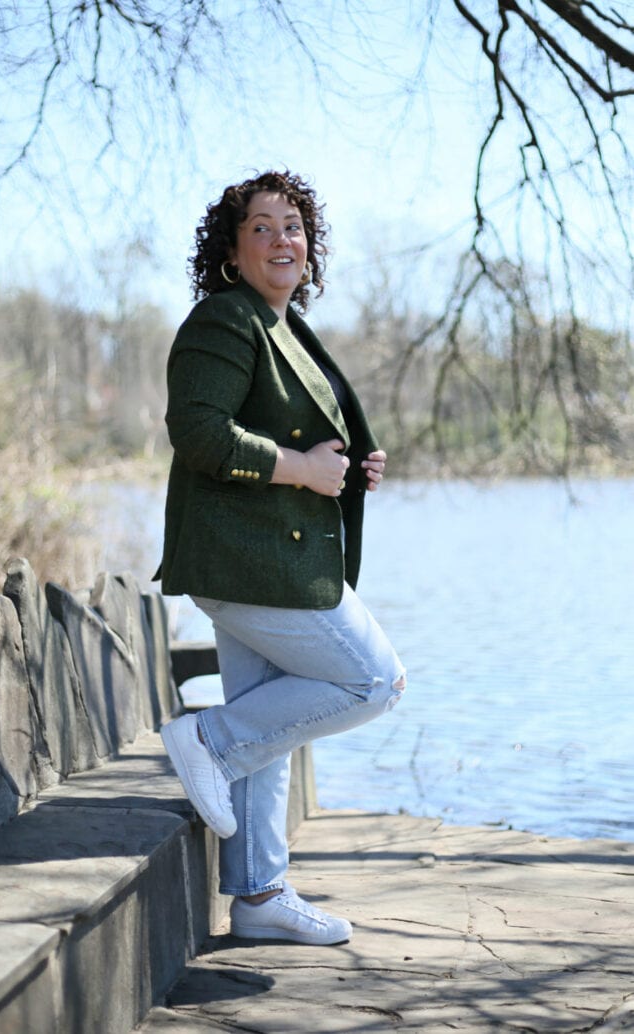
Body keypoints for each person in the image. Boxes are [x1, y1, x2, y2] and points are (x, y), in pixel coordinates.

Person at [157, 170, 406, 946]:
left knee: (278, 718)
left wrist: (346, 468)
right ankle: (208, 741)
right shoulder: (225, 321)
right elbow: (198, 432)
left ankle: (259, 895)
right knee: (373, 680)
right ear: (232, 251)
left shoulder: (284, 327)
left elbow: (292, 430)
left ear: (311, 245)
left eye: (292, 225)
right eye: (259, 227)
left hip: (269, 557)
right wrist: (300, 470)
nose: (281, 239)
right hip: (249, 564)